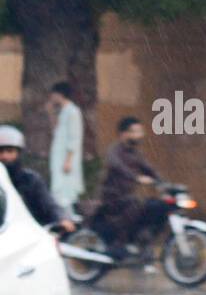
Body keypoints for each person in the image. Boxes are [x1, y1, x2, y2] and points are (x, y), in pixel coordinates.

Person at [99, 116, 169, 257]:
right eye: (136, 132)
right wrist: (136, 177)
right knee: (136, 203)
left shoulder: (136, 153)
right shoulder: (114, 151)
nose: (140, 135)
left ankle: (143, 239)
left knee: (157, 206)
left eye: (140, 131)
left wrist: (163, 182)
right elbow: (119, 167)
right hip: (112, 198)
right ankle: (118, 243)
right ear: (124, 134)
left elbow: (148, 168)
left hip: (127, 197)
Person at [0, 125, 76, 233]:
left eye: (10, 151)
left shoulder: (31, 180)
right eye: (0, 152)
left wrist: (62, 219)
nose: (5, 156)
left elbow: (49, 205)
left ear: (19, 153)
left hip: (31, 236)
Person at [47, 81, 84, 209]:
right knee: (59, 190)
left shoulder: (73, 112)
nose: (51, 97)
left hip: (66, 159)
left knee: (66, 192)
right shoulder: (63, 112)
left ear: (59, 94)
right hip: (59, 157)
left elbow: (74, 138)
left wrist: (68, 160)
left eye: (53, 94)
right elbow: (56, 132)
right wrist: (51, 113)